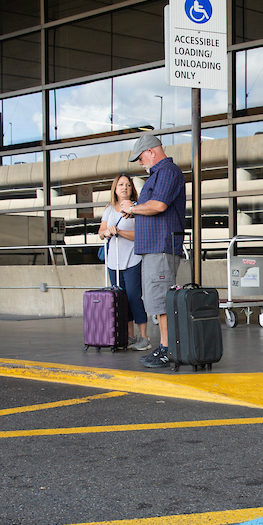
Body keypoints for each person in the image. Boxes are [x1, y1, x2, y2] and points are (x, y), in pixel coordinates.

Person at [120, 132, 186, 369]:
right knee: (156, 300)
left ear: (151, 151)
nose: (140, 162)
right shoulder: (159, 174)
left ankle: (167, 349)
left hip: (161, 245)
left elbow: (158, 205)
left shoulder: (168, 172)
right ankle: (163, 347)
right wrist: (136, 210)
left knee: (160, 298)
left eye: (140, 157)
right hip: (153, 247)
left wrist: (134, 207)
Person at [98, 173, 150, 351]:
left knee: (135, 297)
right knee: (121, 299)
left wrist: (119, 231)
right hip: (114, 261)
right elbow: (101, 232)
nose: (124, 188)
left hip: (132, 259)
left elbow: (140, 236)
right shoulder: (110, 209)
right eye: (121, 185)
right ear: (115, 188)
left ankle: (144, 336)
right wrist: (108, 232)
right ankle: (129, 336)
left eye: (127, 185)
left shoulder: (137, 208)